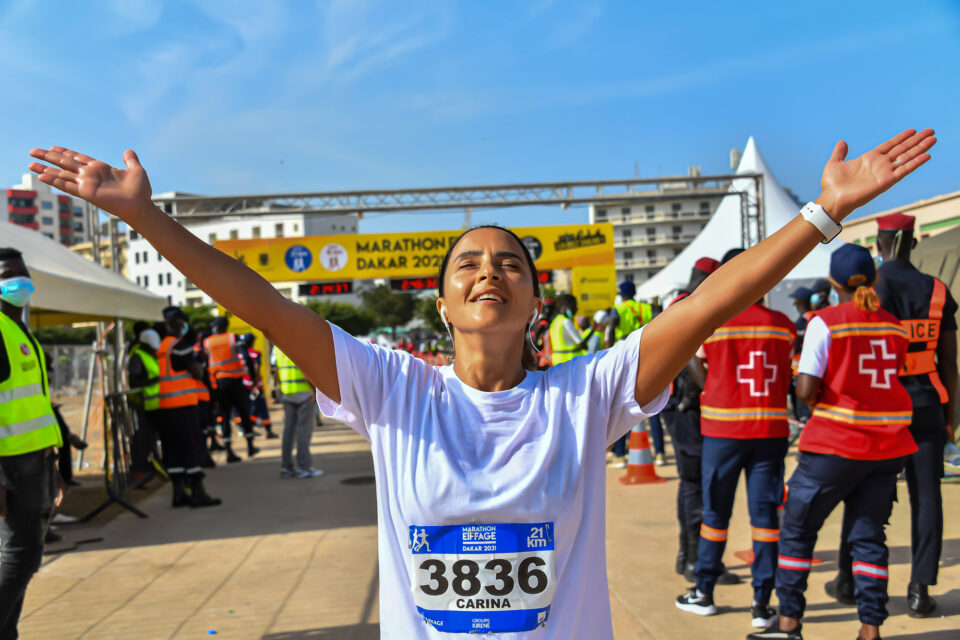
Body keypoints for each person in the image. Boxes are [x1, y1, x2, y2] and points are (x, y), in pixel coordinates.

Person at [28, 127, 936, 638]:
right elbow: (262, 304)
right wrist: (145, 218)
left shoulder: (586, 394)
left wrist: (824, 211)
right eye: (469, 263)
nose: (488, 272)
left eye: (510, 263)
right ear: (444, 297)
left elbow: (707, 305)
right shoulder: (393, 389)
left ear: (537, 298)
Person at [749, 244, 917, 640]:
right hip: (888, 448)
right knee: (869, 537)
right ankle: (870, 630)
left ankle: (789, 624)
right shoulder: (894, 325)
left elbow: (806, 389)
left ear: (832, 282)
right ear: (874, 280)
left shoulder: (826, 322)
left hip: (834, 446)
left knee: (797, 531)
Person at [824, 212, 958, 617]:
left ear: (877, 245)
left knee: (862, 493)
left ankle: (848, 579)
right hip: (926, 406)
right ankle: (919, 590)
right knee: (927, 496)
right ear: (912, 242)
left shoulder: (867, 290)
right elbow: (950, 364)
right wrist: (951, 417)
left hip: (876, 410)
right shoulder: (936, 290)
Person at [675, 248, 795, 628]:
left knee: (715, 516)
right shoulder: (783, 324)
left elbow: (690, 358)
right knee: (765, 520)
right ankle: (762, 604)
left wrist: (711, 386)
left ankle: (705, 591)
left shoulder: (716, 321)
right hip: (771, 431)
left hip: (724, 430)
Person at [0, 247, 64, 639]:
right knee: (21, 558)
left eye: (22, 272)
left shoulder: (17, 327)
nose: (19, 281)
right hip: (11, 464)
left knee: (23, 556)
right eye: (8, 274)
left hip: (35, 459)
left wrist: (53, 460)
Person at [660, 256, 737, 582]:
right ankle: (694, 558)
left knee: (694, 483)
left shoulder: (679, 301)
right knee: (695, 483)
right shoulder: (691, 304)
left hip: (681, 405)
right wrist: (710, 387)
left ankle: (688, 555)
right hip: (685, 407)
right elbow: (691, 352)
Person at [157, 306, 222, 508]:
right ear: (179, 325)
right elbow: (197, 373)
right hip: (184, 405)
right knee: (191, 446)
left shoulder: (163, 347)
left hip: (166, 406)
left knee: (173, 450)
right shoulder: (180, 345)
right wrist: (199, 366)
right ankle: (197, 492)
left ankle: (178, 494)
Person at [605, 281, 659, 465]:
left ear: (621, 293)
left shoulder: (618, 309)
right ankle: (659, 452)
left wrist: (608, 354)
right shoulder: (647, 307)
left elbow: (611, 329)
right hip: (647, 352)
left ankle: (620, 453)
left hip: (625, 356)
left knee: (621, 404)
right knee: (652, 404)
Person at [203, 316, 259, 461]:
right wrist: (252, 378)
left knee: (225, 416)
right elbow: (246, 357)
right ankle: (250, 447)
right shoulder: (232, 338)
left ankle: (229, 452)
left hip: (219, 384)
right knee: (244, 413)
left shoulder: (207, 342)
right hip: (235, 382)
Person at [273, 347, 324, 479]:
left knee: (288, 431)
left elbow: (276, 369)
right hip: (304, 393)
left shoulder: (277, 347)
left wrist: (279, 388)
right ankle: (304, 468)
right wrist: (313, 389)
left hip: (287, 392)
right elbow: (305, 369)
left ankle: (286, 467)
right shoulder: (296, 341)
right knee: (304, 431)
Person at [127, 321, 162, 478]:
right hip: (142, 403)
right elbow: (133, 380)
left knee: (150, 437)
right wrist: (155, 381)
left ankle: (151, 465)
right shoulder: (138, 355)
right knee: (141, 437)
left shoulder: (151, 354)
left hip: (154, 404)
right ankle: (139, 468)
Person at [241, 333, 278, 439]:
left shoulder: (240, 354)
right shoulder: (255, 354)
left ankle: (249, 429)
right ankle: (267, 431)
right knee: (261, 408)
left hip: (244, 385)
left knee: (251, 408)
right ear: (252, 342)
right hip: (255, 386)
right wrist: (255, 384)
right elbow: (256, 369)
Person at [788, 287, 815, 424]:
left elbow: (792, 350)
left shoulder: (800, 324)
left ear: (800, 302)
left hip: (800, 374)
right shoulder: (817, 318)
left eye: (795, 301)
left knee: (803, 415)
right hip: (816, 373)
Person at [547, 293, 592, 365]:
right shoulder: (566, 322)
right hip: (569, 361)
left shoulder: (555, 321)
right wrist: (593, 330)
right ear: (566, 306)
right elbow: (582, 344)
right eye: (574, 307)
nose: (576, 309)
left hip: (557, 361)